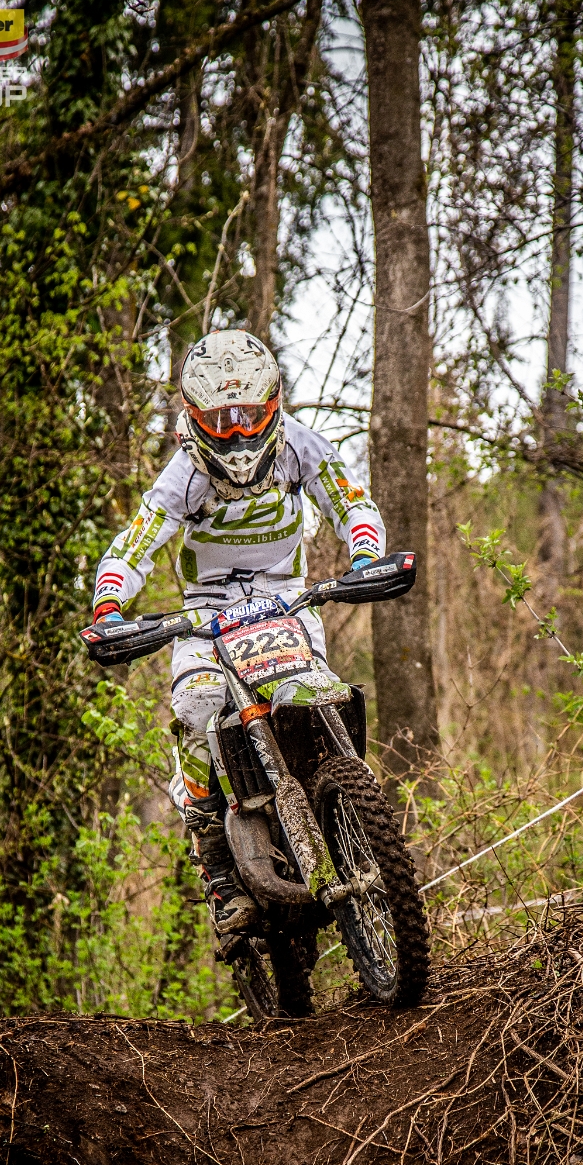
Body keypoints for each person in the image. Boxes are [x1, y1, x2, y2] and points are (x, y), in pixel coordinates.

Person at [91, 329, 386, 932]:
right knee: (198, 708)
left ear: (273, 404)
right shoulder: (184, 474)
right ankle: (220, 871)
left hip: (287, 602)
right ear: (194, 416)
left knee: (319, 696)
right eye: (220, 420)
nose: (237, 433)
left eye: (249, 415)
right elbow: (135, 542)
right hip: (204, 617)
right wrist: (110, 604)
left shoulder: (298, 446)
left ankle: (347, 810)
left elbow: (350, 499)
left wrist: (365, 555)